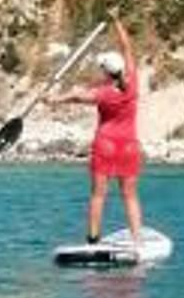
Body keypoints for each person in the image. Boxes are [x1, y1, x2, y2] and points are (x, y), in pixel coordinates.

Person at [54, 14, 145, 254]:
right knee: (130, 196)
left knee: (98, 195)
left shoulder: (102, 93)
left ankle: (93, 240)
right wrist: (117, 20)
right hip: (128, 146)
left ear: (106, 72)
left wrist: (53, 99)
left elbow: (76, 97)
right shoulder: (133, 82)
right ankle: (137, 241)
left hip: (105, 144)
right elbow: (126, 46)